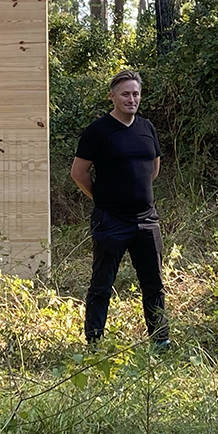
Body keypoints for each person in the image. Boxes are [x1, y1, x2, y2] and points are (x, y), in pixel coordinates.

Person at [70, 70, 169, 345]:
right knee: (102, 285)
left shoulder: (147, 128)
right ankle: (94, 343)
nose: (131, 99)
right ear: (112, 96)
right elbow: (79, 173)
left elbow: (154, 169)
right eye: (125, 94)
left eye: (135, 93)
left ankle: (161, 341)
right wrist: (102, 198)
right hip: (110, 221)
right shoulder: (97, 131)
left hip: (147, 220)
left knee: (154, 284)